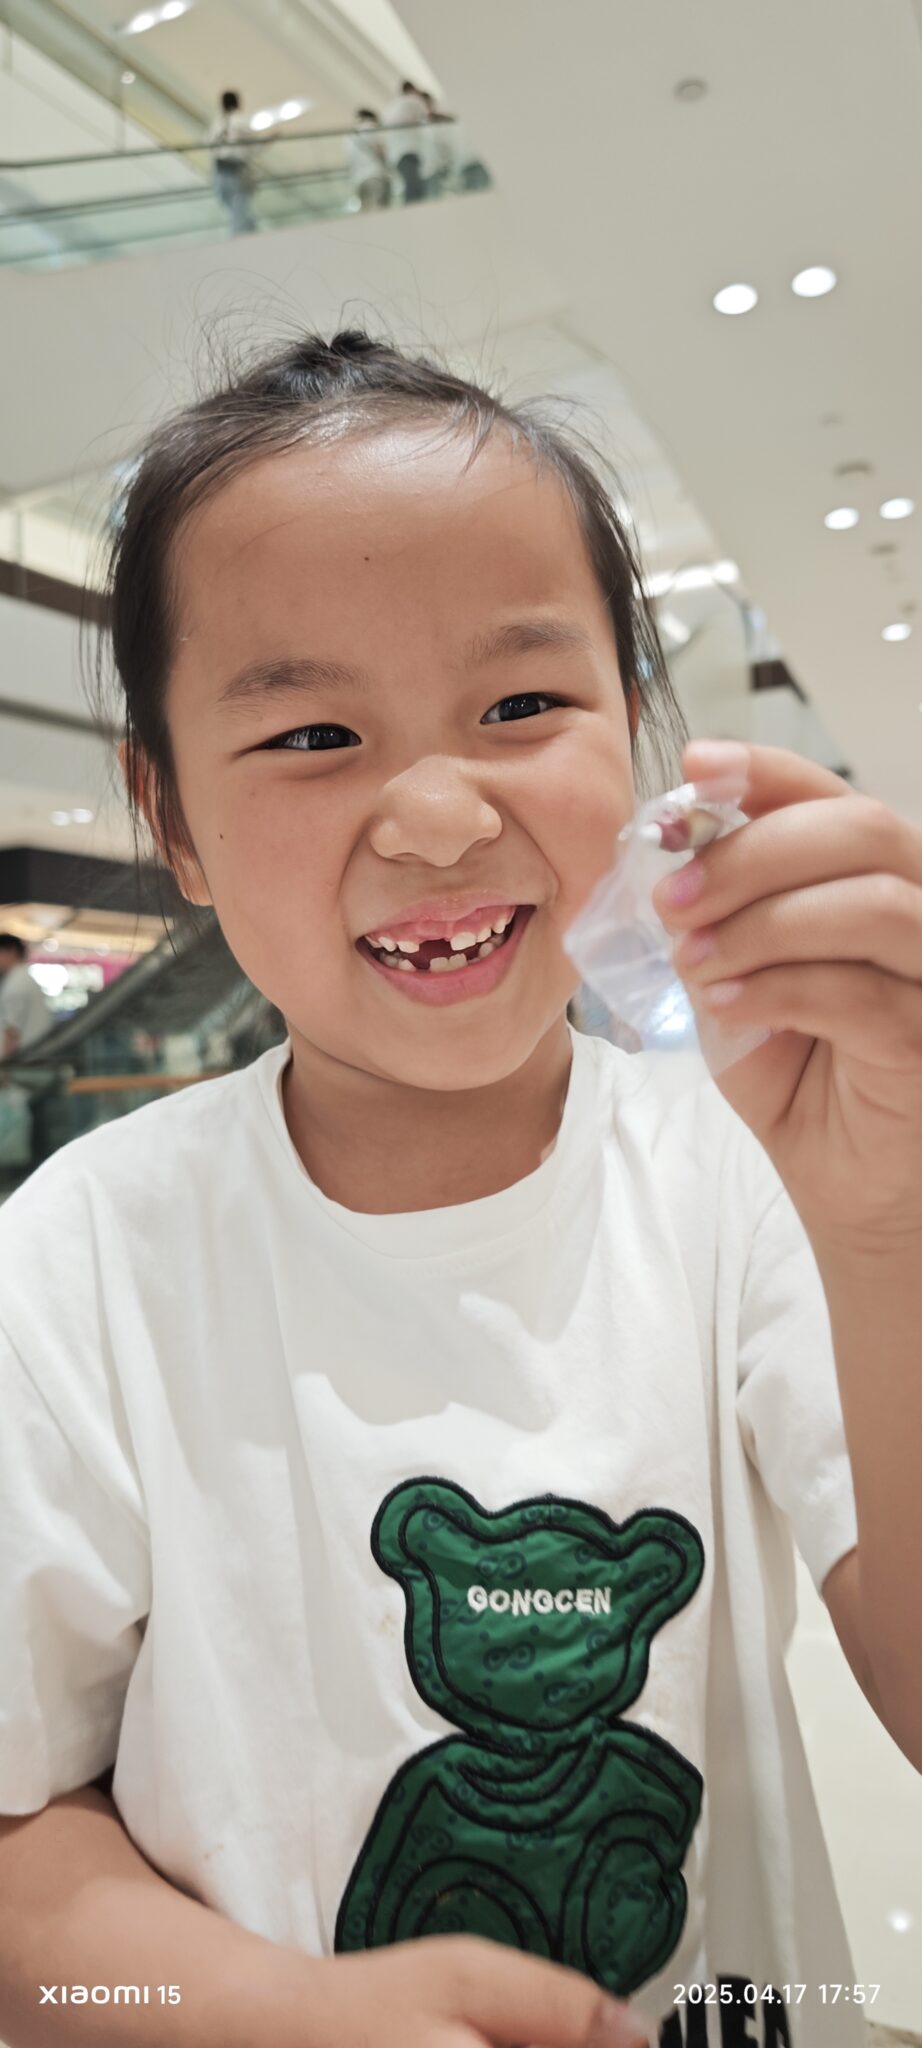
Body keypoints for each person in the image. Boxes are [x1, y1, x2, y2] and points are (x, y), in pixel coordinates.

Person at [0, 330, 920, 2048]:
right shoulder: (83, 1259)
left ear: (633, 732)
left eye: (517, 707)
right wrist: (272, 2012)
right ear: (169, 813)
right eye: (312, 732)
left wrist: (883, 1227)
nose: (434, 815)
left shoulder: (741, 1172)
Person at [206, 88, 256, 235]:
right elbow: (253, 145)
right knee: (239, 210)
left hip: (220, 171)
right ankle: (247, 234)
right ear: (238, 103)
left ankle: (248, 233)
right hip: (235, 171)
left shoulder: (217, 123)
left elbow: (210, 145)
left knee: (236, 210)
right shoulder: (240, 121)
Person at [0, 932, 52, 1060]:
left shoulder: (15, 983)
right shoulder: (24, 978)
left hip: (22, 1062)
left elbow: (11, 1032)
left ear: (11, 952)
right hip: (36, 1057)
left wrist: (5, 1065)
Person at [381, 78, 429, 202]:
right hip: (408, 150)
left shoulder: (392, 106)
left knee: (411, 183)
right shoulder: (413, 100)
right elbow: (428, 116)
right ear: (412, 89)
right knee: (414, 186)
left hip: (395, 154)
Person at [347, 107, 392, 210]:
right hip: (374, 175)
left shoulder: (350, 136)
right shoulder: (370, 127)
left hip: (358, 180)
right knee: (379, 209)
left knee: (367, 211)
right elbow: (379, 149)